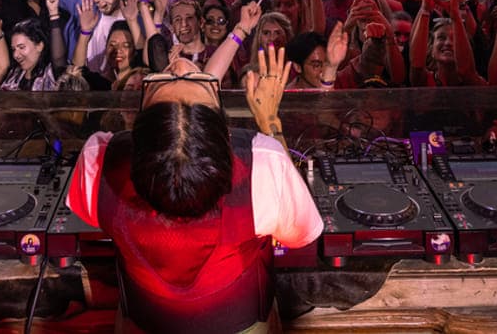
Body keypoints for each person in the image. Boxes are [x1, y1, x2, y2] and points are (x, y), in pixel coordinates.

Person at [65, 48, 321, 333]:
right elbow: (300, 234)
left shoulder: (99, 158)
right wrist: (270, 122)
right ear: (224, 134)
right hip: (241, 322)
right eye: (198, 83)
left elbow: (90, 213)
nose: (179, 66)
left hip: (142, 322)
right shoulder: (263, 162)